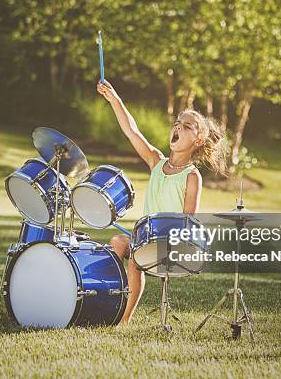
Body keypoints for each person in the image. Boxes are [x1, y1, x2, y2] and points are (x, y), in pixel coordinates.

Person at [96, 80, 227, 323]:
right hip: (144, 240)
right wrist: (115, 99)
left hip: (172, 247)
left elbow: (188, 221)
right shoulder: (156, 161)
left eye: (187, 126)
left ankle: (123, 320)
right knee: (117, 242)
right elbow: (131, 131)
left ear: (198, 141)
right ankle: (107, 304)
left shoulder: (191, 176)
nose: (178, 126)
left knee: (135, 257)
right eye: (177, 123)